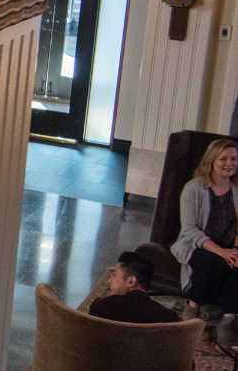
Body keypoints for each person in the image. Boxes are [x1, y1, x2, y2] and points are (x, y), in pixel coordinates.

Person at [171, 138, 238, 349]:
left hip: (229, 244)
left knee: (237, 264)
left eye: (234, 159)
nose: (230, 163)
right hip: (195, 244)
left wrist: (234, 249)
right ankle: (192, 312)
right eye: (223, 159)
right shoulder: (194, 188)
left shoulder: (237, 188)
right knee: (215, 262)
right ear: (211, 160)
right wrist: (221, 252)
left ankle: (227, 323)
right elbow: (189, 229)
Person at [90, 252, 180, 324]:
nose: (110, 280)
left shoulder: (100, 307)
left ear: (131, 281)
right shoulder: (169, 318)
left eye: (114, 274)